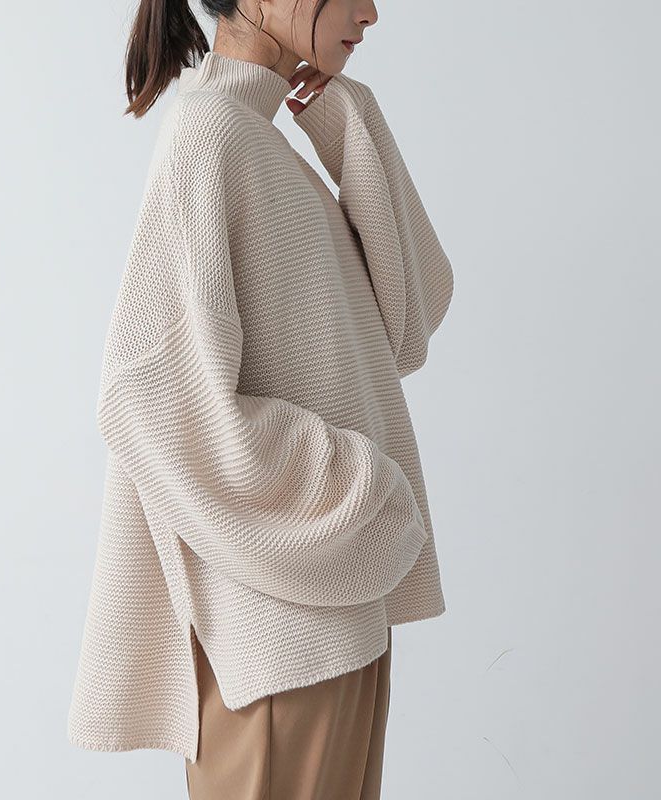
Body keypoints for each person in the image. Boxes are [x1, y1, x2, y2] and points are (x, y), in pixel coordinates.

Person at [66, 0, 454, 797]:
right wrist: (355, 489)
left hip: (334, 615)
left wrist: (350, 127)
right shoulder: (209, 138)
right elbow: (148, 399)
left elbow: (408, 321)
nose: (370, 11)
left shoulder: (256, 141)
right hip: (278, 640)